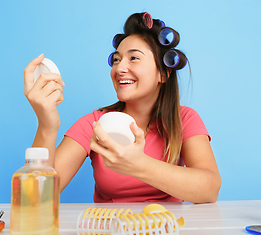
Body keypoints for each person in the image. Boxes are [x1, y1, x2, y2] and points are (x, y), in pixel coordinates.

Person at [23, 12, 221, 203]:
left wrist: (139, 165)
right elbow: (37, 198)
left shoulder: (184, 118)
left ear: (163, 73)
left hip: (167, 230)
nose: (119, 68)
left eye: (134, 58)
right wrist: (46, 124)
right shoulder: (94, 123)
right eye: (116, 59)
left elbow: (210, 189)